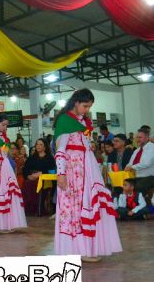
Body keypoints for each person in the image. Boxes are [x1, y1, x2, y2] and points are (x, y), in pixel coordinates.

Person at [53, 89, 121, 262]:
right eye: (85, 106)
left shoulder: (83, 122)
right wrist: (61, 174)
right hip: (73, 171)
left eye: (89, 106)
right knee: (74, 208)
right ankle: (78, 250)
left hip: (88, 169)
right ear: (76, 103)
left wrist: (88, 145)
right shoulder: (65, 120)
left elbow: (84, 141)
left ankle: (88, 247)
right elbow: (60, 150)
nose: (87, 109)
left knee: (89, 204)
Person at [21, 138, 56, 217]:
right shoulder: (32, 157)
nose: (38, 146)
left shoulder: (50, 158)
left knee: (35, 184)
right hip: (31, 177)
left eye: (41, 144)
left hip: (44, 179)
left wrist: (41, 173)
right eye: (37, 144)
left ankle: (38, 208)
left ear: (45, 147)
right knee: (27, 183)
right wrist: (28, 176)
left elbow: (52, 170)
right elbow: (25, 169)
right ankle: (29, 207)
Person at [125, 127, 154, 197]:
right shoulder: (137, 150)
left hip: (150, 176)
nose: (137, 139)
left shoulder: (152, 147)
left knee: (138, 186)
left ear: (147, 137)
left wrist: (131, 167)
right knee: (123, 184)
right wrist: (127, 166)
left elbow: (147, 163)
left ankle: (140, 205)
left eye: (140, 137)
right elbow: (130, 163)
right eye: (137, 137)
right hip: (137, 177)